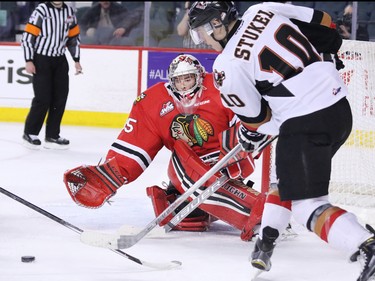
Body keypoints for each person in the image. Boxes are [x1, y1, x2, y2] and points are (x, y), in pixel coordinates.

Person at [187, 2, 375, 281]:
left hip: (305, 123)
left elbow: (257, 120)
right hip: (338, 110)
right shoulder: (260, 10)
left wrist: (249, 134)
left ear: (216, 25)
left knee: (306, 205)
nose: (201, 40)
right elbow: (323, 21)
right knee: (283, 176)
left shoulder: (227, 65)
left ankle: (366, 246)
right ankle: (267, 240)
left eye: (201, 32)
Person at [63, 53, 267, 241]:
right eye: (178, 80)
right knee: (182, 216)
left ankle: (255, 211)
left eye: (188, 79)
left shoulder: (220, 87)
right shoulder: (155, 101)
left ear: (199, 77)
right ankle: (238, 208)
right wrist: (110, 174)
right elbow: (136, 141)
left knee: (185, 202)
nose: (184, 85)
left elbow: (248, 122)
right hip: (186, 164)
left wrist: (239, 153)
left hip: (223, 164)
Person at [21, 1, 82, 150]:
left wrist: (76, 60)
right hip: (42, 59)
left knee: (60, 98)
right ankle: (30, 133)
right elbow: (28, 37)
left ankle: (52, 135)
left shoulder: (69, 11)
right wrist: (29, 60)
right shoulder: (41, 10)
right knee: (43, 98)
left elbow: (73, 38)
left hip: (60, 60)